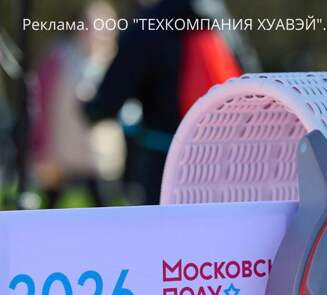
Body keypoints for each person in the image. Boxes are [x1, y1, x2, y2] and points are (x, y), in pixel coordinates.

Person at [84, 0, 259, 205]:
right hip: (226, 164)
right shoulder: (220, 20)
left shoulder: (147, 26)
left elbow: (106, 103)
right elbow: (251, 79)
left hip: (163, 168)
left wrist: (87, 106)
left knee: (161, 226)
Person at [30, 2, 120, 209]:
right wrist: (40, 144)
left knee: (105, 208)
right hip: (59, 150)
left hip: (98, 155)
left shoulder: (115, 61)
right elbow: (41, 101)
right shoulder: (59, 57)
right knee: (50, 209)